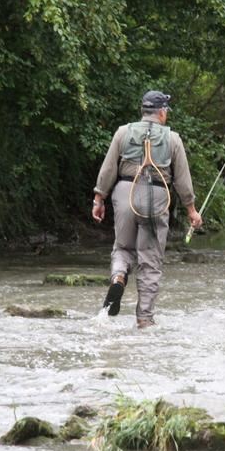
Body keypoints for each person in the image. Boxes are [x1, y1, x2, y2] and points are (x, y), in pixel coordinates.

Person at [92, 90, 202, 328]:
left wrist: (98, 199)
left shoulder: (123, 132)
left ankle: (119, 276)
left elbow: (108, 168)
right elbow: (183, 180)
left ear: (143, 111)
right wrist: (191, 209)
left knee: (122, 247)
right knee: (150, 261)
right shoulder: (173, 139)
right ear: (162, 113)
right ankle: (144, 319)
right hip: (157, 195)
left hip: (124, 192)